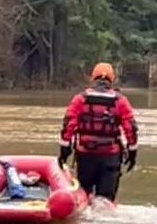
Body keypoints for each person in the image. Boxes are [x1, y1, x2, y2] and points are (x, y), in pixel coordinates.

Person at [59, 62, 139, 202]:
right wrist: (132, 152)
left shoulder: (80, 99)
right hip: (110, 157)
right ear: (111, 79)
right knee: (105, 200)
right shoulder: (120, 101)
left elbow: (68, 125)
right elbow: (130, 128)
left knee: (84, 196)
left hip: (85, 156)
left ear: (93, 78)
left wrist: (64, 151)